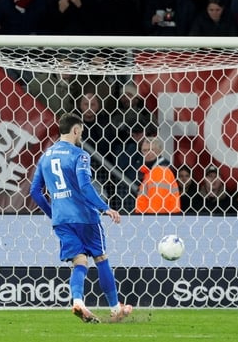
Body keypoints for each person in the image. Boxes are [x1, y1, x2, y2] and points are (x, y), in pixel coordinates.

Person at [29, 112, 133, 323]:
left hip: (62, 221)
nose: (81, 135)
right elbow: (85, 187)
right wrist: (105, 208)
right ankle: (115, 309)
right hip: (85, 217)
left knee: (79, 261)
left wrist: (53, 213)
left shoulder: (45, 156)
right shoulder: (79, 155)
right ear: (76, 130)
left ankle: (78, 301)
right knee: (100, 258)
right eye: (81, 131)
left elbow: (35, 192)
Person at [134, 136, 181, 214]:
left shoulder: (160, 171)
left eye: (151, 150)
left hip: (156, 220)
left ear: (159, 151)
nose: (147, 153)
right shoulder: (150, 172)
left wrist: (151, 221)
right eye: (144, 150)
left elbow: (157, 204)